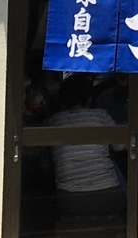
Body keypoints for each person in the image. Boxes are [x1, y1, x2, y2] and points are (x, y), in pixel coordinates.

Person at [46, 75, 124, 223]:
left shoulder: (54, 120)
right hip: (107, 194)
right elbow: (121, 146)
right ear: (89, 99)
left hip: (69, 199)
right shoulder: (101, 115)